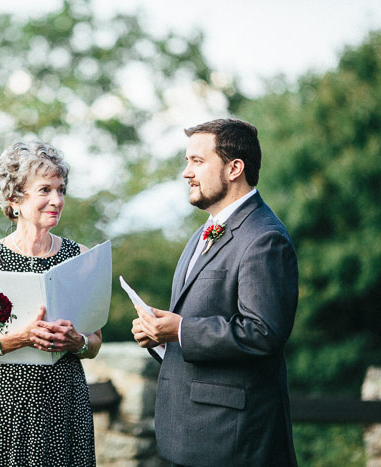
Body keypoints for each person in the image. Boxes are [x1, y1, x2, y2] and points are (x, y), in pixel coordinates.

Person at [131, 119, 298, 466]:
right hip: (192, 435)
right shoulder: (202, 233)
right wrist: (160, 336)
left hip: (233, 441)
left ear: (234, 168)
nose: (185, 173)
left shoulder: (265, 237)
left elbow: (262, 333)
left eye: (197, 161)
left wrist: (179, 330)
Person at [0, 141, 102, 466]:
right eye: (45, 189)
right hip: (3, 409)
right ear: (14, 198)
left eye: (61, 189)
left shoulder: (80, 257)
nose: (57, 200)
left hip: (64, 405)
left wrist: (76, 341)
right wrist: (19, 338)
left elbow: (95, 343)